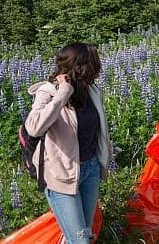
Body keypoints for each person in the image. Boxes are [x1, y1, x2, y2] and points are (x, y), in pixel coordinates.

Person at [25, 43, 113, 244]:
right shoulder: (48, 91)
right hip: (61, 176)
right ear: (79, 67)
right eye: (93, 66)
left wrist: (104, 157)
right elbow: (34, 127)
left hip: (90, 170)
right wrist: (62, 93)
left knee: (82, 236)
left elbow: (99, 130)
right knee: (80, 241)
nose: (97, 71)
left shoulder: (91, 91)